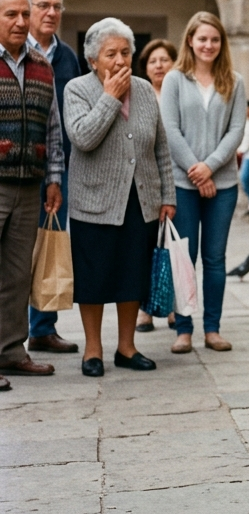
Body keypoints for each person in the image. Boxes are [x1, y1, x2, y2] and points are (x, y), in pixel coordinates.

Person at [64, 19, 177, 376]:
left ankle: (126, 348)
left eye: (125, 52)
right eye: (110, 53)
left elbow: (160, 146)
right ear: (93, 60)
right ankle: (93, 351)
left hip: (140, 199)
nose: (119, 60)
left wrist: (167, 195)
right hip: (94, 202)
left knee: (132, 274)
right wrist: (110, 97)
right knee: (94, 278)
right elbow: (83, 136)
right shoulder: (77, 90)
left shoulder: (144, 90)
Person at [161, 12, 246, 354]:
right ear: (190, 42)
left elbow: (236, 131)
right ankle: (183, 329)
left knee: (214, 258)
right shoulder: (174, 80)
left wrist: (209, 168)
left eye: (214, 39)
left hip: (222, 184)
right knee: (184, 257)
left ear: (221, 43)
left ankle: (212, 329)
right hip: (183, 182)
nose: (208, 45)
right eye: (202, 39)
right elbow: (170, 130)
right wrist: (196, 171)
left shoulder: (234, 81)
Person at [0, 0, 65, 391]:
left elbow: (53, 126)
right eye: (11, 15)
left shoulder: (42, 63)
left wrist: (55, 177)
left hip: (29, 186)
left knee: (17, 275)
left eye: (25, 14)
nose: (22, 22)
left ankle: (10, 350)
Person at [24, 0, 81, 355]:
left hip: (56, 167)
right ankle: (10, 337)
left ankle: (42, 329)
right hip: (15, 165)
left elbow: (68, 118)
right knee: (14, 255)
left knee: (49, 245)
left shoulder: (68, 59)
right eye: (43, 5)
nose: (51, 13)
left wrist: (59, 173)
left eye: (57, 6)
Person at [135, 38, 178, 333]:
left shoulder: (178, 93)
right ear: (145, 67)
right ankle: (144, 311)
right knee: (145, 247)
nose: (159, 65)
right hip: (147, 179)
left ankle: (174, 307)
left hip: (178, 175)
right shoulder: (139, 94)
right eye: (153, 61)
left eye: (164, 59)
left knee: (174, 246)